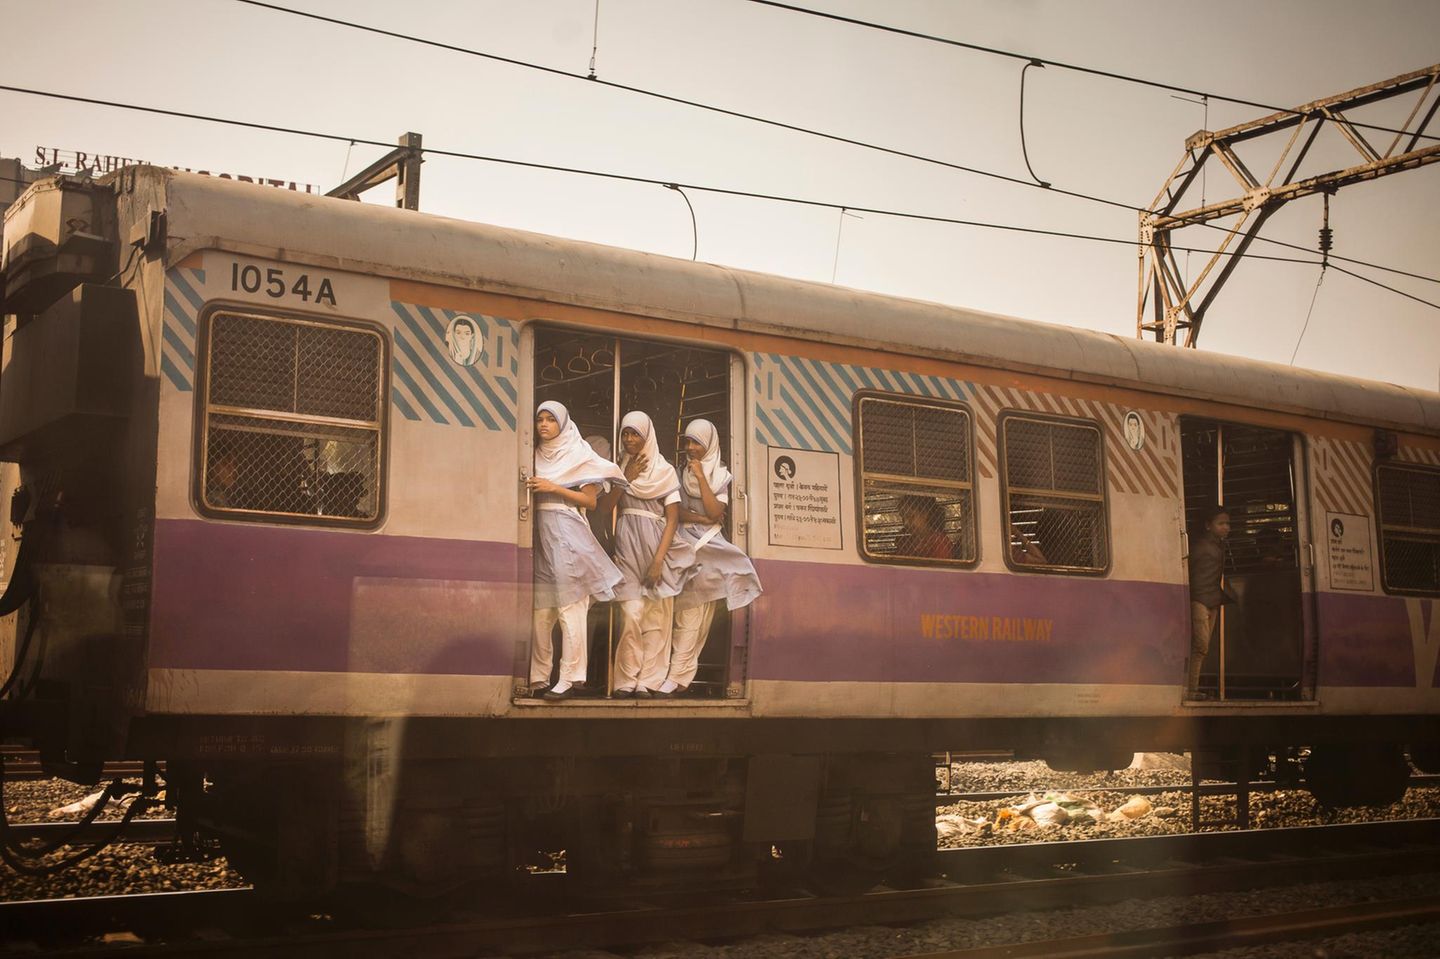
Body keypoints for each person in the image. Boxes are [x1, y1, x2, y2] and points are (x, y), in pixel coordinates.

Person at [525, 401, 626, 701]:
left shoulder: (579, 453)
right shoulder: (533, 453)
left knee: (570, 609)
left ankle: (570, 677)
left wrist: (553, 487)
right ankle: (539, 677)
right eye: (540, 419)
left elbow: (590, 502)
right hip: (542, 533)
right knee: (542, 610)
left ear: (563, 423)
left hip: (567, 531)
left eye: (550, 420)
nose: (544, 425)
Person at [598, 411, 698, 699]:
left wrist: (658, 561)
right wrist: (624, 478)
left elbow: (672, 519)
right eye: (625, 433)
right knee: (631, 613)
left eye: (635, 434)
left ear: (647, 436)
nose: (629, 439)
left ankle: (648, 681)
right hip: (628, 545)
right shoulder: (618, 468)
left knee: (656, 617)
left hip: (657, 547)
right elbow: (604, 510)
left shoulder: (664, 470)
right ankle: (625, 679)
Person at [661, 420, 763, 697]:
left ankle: (677, 676)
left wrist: (701, 477)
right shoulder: (679, 473)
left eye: (697, 442)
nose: (690, 448)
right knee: (685, 614)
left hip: (709, 550)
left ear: (709, 444)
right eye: (688, 441)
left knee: (694, 615)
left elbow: (715, 511)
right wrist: (700, 518)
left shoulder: (721, 475)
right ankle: (679, 676)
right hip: (683, 547)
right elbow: (675, 511)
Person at [1187, 505, 1236, 697]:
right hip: (1199, 600)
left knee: (1202, 646)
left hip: (1211, 601)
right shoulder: (1200, 547)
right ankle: (1191, 690)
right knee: (1201, 646)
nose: (1226, 527)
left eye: (1228, 524)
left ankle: (1192, 688)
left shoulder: (1218, 546)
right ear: (1208, 525)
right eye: (1221, 523)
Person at [895, 494, 954, 559]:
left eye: (910, 516)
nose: (906, 522)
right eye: (903, 517)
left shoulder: (938, 542)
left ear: (924, 513)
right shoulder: (907, 542)